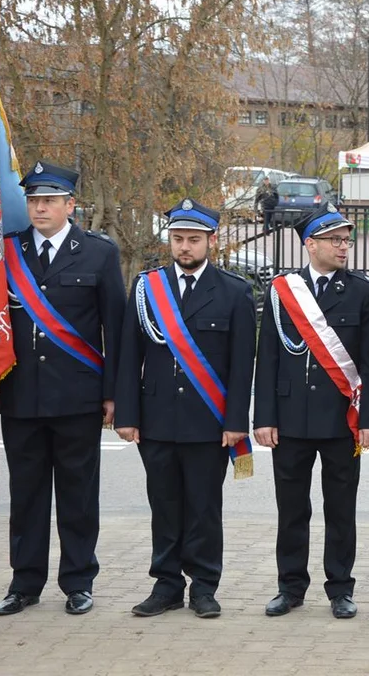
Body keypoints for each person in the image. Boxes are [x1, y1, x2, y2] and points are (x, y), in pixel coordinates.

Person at [0, 162, 126, 617]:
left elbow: (116, 329)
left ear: (71, 204)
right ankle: (24, 583)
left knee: (77, 494)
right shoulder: (6, 255)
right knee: (26, 495)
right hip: (21, 397)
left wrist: (113, 394)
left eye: (49, 200)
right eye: (32, 200)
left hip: (77, 398)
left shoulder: (97, 253)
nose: (39, 208)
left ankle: (78, 581)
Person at [115, 199, 256, 619]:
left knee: (204, 507)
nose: (184, 247)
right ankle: (167, 584)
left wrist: (235, 423)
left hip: (208, 423)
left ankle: (204, 585)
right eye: (178, 239)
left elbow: (241, 364)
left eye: (193, 239)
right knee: (164, 504)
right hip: (157, 419)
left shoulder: (234, 291)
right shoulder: (147, 288)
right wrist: (127, 415)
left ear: (211, 240)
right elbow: (128, 356)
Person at [254, 204, 369, 620]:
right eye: (335, 240)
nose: (344, 246)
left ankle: (340, 589)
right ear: (310, 244)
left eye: (346, 239)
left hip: (340, 420)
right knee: (292, 508)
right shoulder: (282, 291)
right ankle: (290, 587)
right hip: (291, 418)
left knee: (340, 508)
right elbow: (269, 357)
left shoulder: (363, 292)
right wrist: (264, 417)